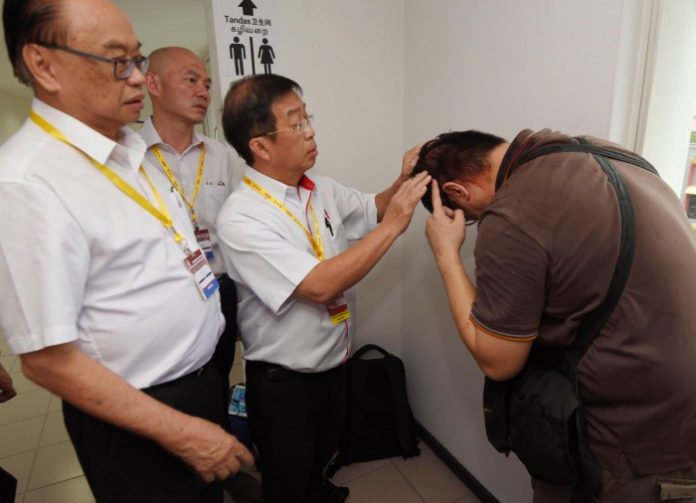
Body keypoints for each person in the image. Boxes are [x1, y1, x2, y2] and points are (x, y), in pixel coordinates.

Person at [0, 1, 252, 502]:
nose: (138, 77)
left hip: (199, 380)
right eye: (118, 61)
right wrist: (183, 432)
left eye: (137, 59)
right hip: (138, 412)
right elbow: (48, 360)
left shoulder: (129, 152)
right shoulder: (28, 181)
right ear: (43, 65)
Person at [418, 129, 696, 502]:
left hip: (632, 452)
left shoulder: (513, 211)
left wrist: (446, 253)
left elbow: (499, 361)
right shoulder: (608, 155)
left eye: (464, 217)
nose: (470, 222)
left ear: (457, 191)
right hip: (680, 420)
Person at [216, 74, 431, 503]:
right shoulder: (242, 218)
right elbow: (318, 285)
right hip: (285, 385)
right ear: (260, 146)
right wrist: (393, 228)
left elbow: (372, 208)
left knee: (318, 461)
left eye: (308, 117)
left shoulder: (320, 188)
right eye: (296, 123)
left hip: (334, 366)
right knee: (287, 482)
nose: (311, 131)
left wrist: (402, 179)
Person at [141, 45, 261, 503]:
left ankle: (218, 470)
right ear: (153, 84)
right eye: (190, 80)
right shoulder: (128, 157)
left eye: (207, 83)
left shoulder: (221, 155)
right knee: (169, 393)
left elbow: (234, 228)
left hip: (219, 288)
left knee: (214, 383)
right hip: (164, 297)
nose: (203, 91)